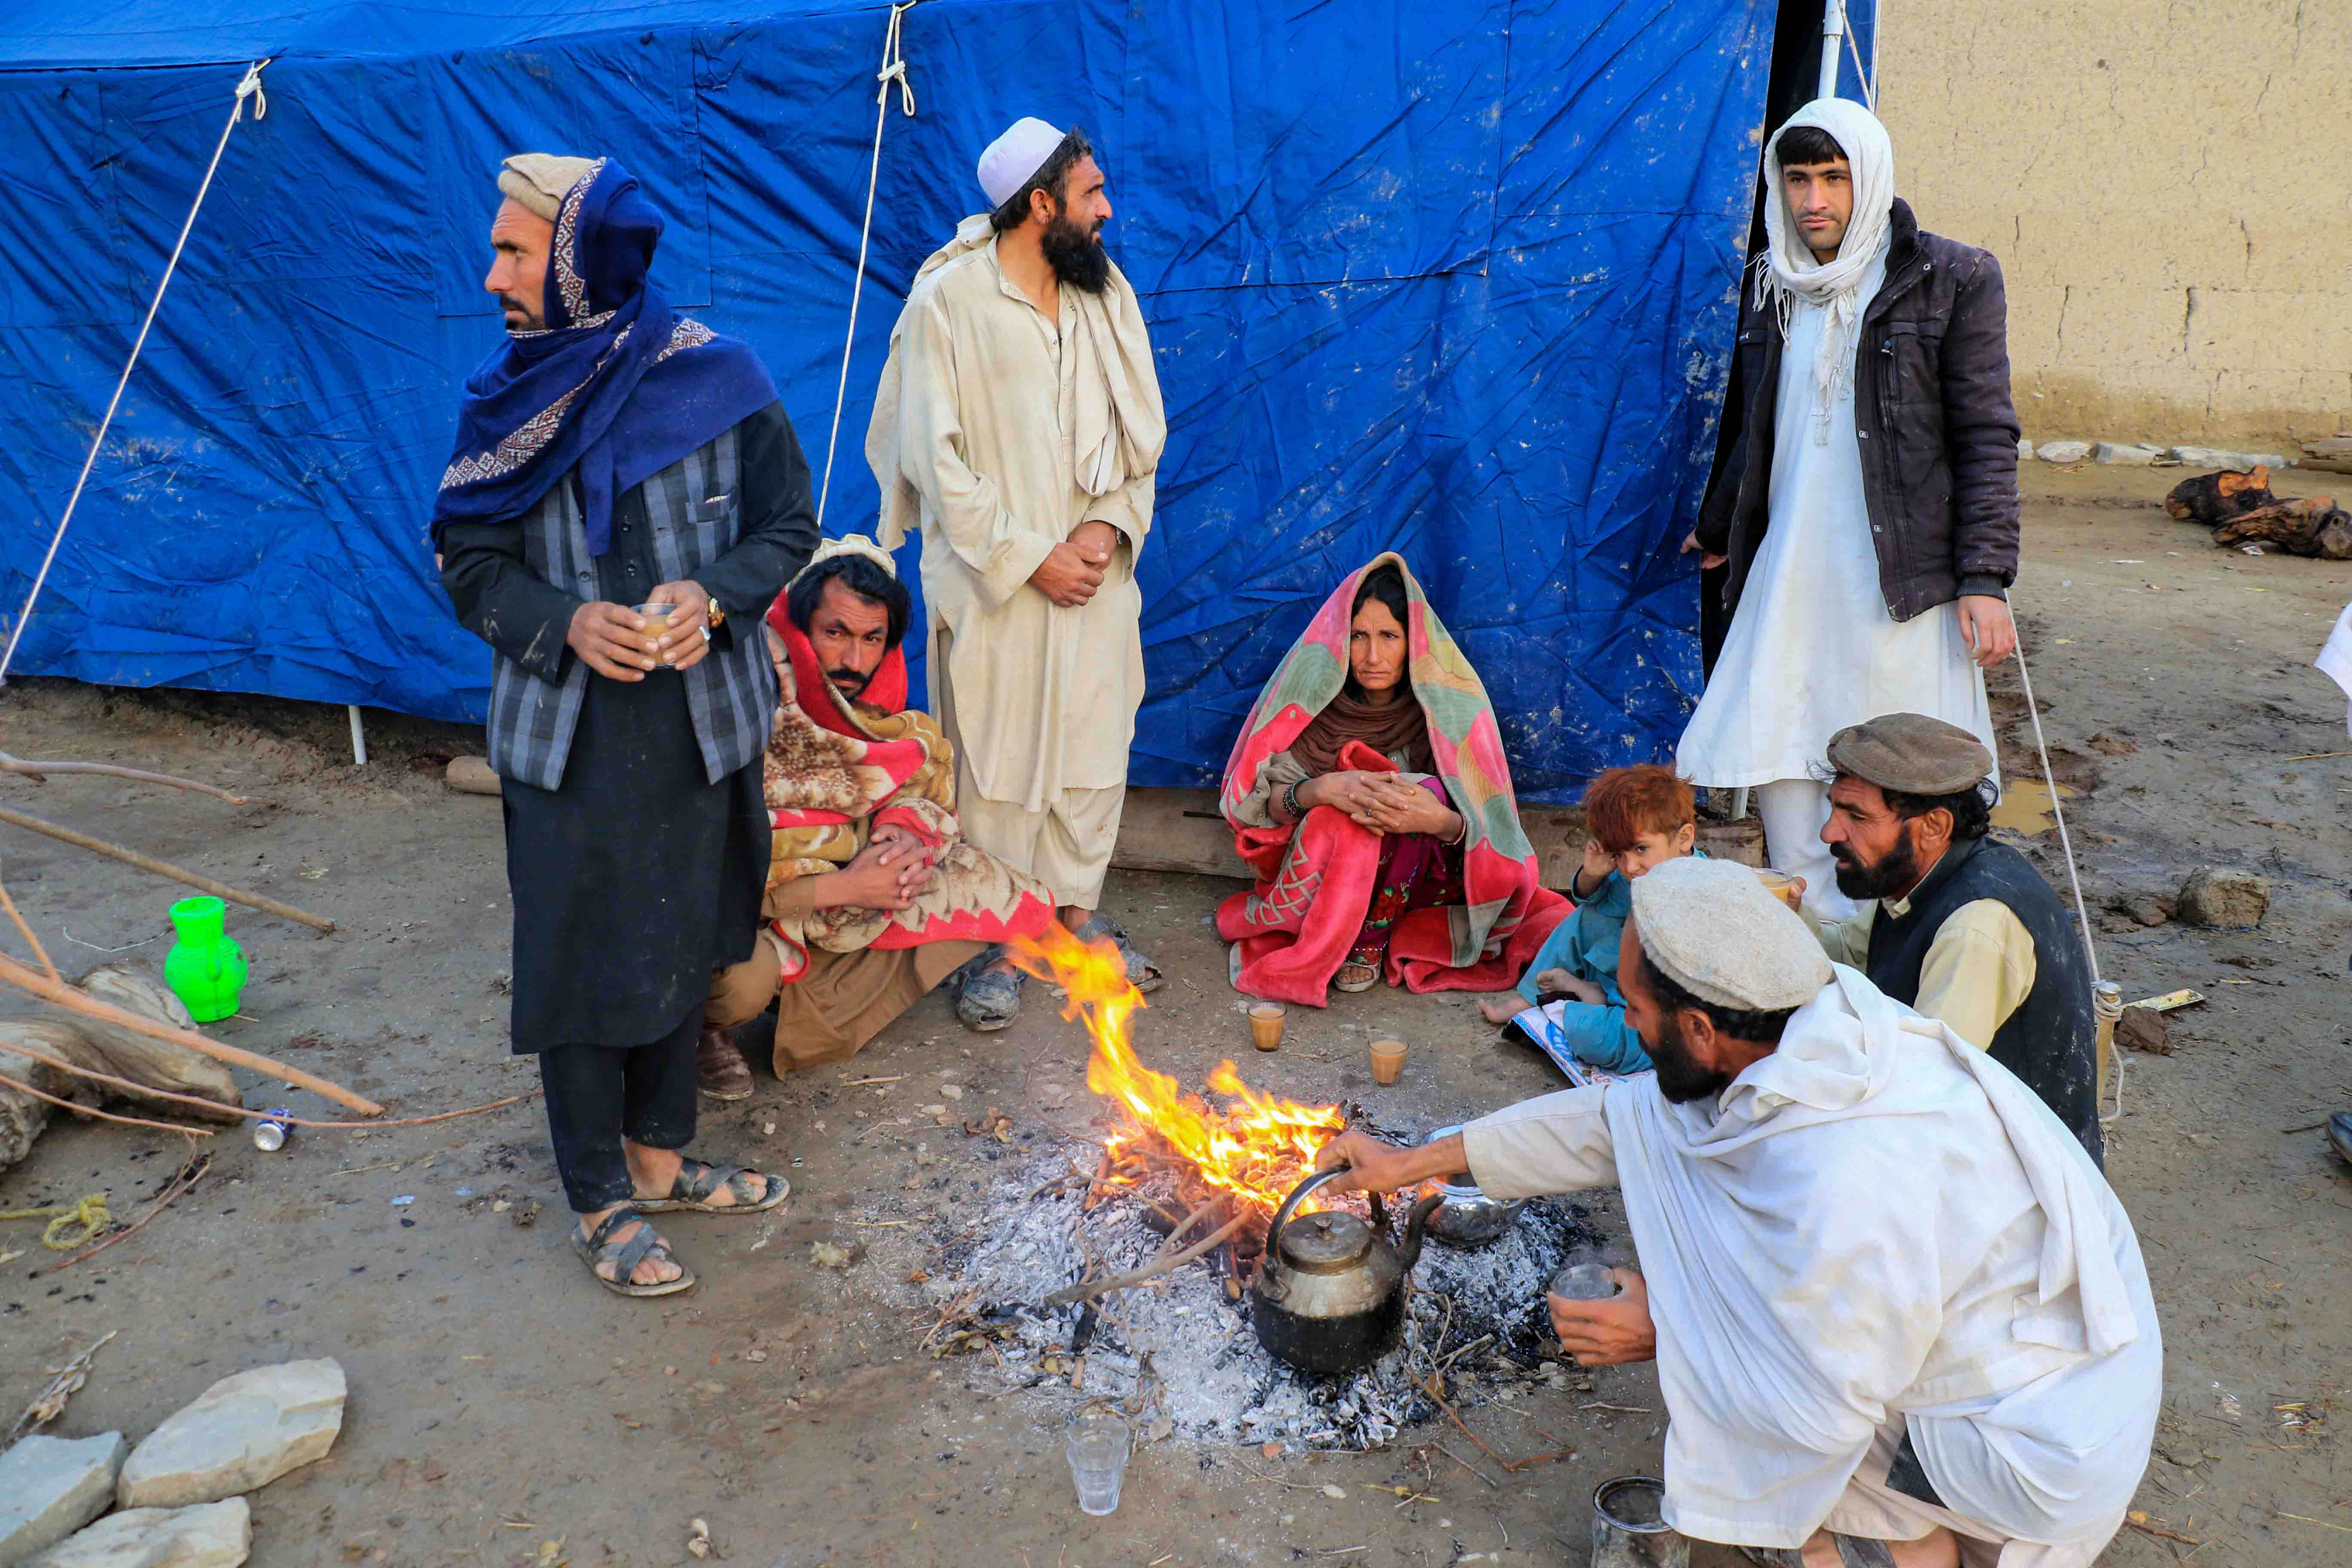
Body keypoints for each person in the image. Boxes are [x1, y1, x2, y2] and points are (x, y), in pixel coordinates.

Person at [1315, 858, 2159, 1568]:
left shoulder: (1850, 1174)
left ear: (1699, 1028)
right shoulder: (1809, 1040)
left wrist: (1666, 1332)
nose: (1629, 1032)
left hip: (2025, 1440)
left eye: (1635, 1015)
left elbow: (1821, 1402)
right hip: (1965, 1362)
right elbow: (1618, 1121)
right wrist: (1412, 1162)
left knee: (1803, 1458)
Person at [436, 153, 809, 1297]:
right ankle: (599, 1196)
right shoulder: (506, 405)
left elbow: (788, 526)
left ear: (581, 262)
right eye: (500, 248)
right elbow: (467, 559)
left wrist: (717, 598)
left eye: (513, 252)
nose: (493, 271)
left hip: (701, 729)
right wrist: (561, 622)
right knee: (583, 967)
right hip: (571, 743)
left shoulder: (720, 381)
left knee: (689, 941)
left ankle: (658, 1159)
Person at [1675, 98, 2019, 924]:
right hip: (1792, 574)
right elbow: (1762, 421)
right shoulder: (1775, 281)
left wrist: (1984, 577)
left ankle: (1894, 968)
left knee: (1899, 778)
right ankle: (1815, 968)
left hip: (1893, 586)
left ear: (1870, 179)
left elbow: (1986, 435)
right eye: (1797, 179)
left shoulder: (1954, 278)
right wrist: (1722, 526)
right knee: (1788, 760)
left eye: (1834, 177)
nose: (1814, 200)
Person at [866, 116, 1167, 1026]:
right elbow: (933, 456)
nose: (1107, 210)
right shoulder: (948, 303)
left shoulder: (1104, 292)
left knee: (1091, 748)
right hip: (999, 583)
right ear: (1040, 205)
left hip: (1096, 579)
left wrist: (1107, 533)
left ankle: (1075, 919)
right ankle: (998, 938)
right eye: (1092, 195)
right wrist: (1033, 557)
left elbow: (1140, 431)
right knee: (993, 764)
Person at [696, 536, 1060, 1093]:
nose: (854, 660)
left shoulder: (875, 719)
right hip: (732, 914)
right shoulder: (740, 711)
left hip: (831, 908)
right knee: (740, 985)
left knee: (997, 895)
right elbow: (700, 869)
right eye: (835, 633)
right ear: (797, 626)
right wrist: (844, 889)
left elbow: (924, 783)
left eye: (873, 639)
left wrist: (900, 839)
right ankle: (702, 1031)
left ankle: (801, 1000)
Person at [1217, 555, 1567, 1004]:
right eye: (1359, 637)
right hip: (1330, 884)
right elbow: (1265, 807)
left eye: (1389, 637)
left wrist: (1440, 819)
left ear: (1415, 642)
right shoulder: (1315, 708)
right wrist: (1322, 790)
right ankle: (1341, 933)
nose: (1373, 656)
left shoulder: (1450, 711)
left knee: (1426, 790)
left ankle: (1371, 938)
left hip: (1424, 882)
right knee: (1341, 818)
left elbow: (1492, 830)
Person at [1812, 713, 2101, 1162]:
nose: (1830, 832)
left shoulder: (1976, 925)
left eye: (1857, 816)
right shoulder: (1921, 879)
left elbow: (1922, 1092)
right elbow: (1853, 956)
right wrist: (1770, 919)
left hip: (2016, 1180)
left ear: (1934, 827)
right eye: (1834, 808)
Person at [1476, 765, 1700, 1076]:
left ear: (1684, 838)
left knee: (1607, 1043)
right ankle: (1532, 998)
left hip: (1651, 1006)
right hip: (1612, 973)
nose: (1631, 866)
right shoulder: (1630, 874)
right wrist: (1591, 876)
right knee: (1582, 918)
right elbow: (1588, 901)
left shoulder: (1705, 887)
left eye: (1641, 849)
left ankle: (1585, 999)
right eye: (1620, 855)